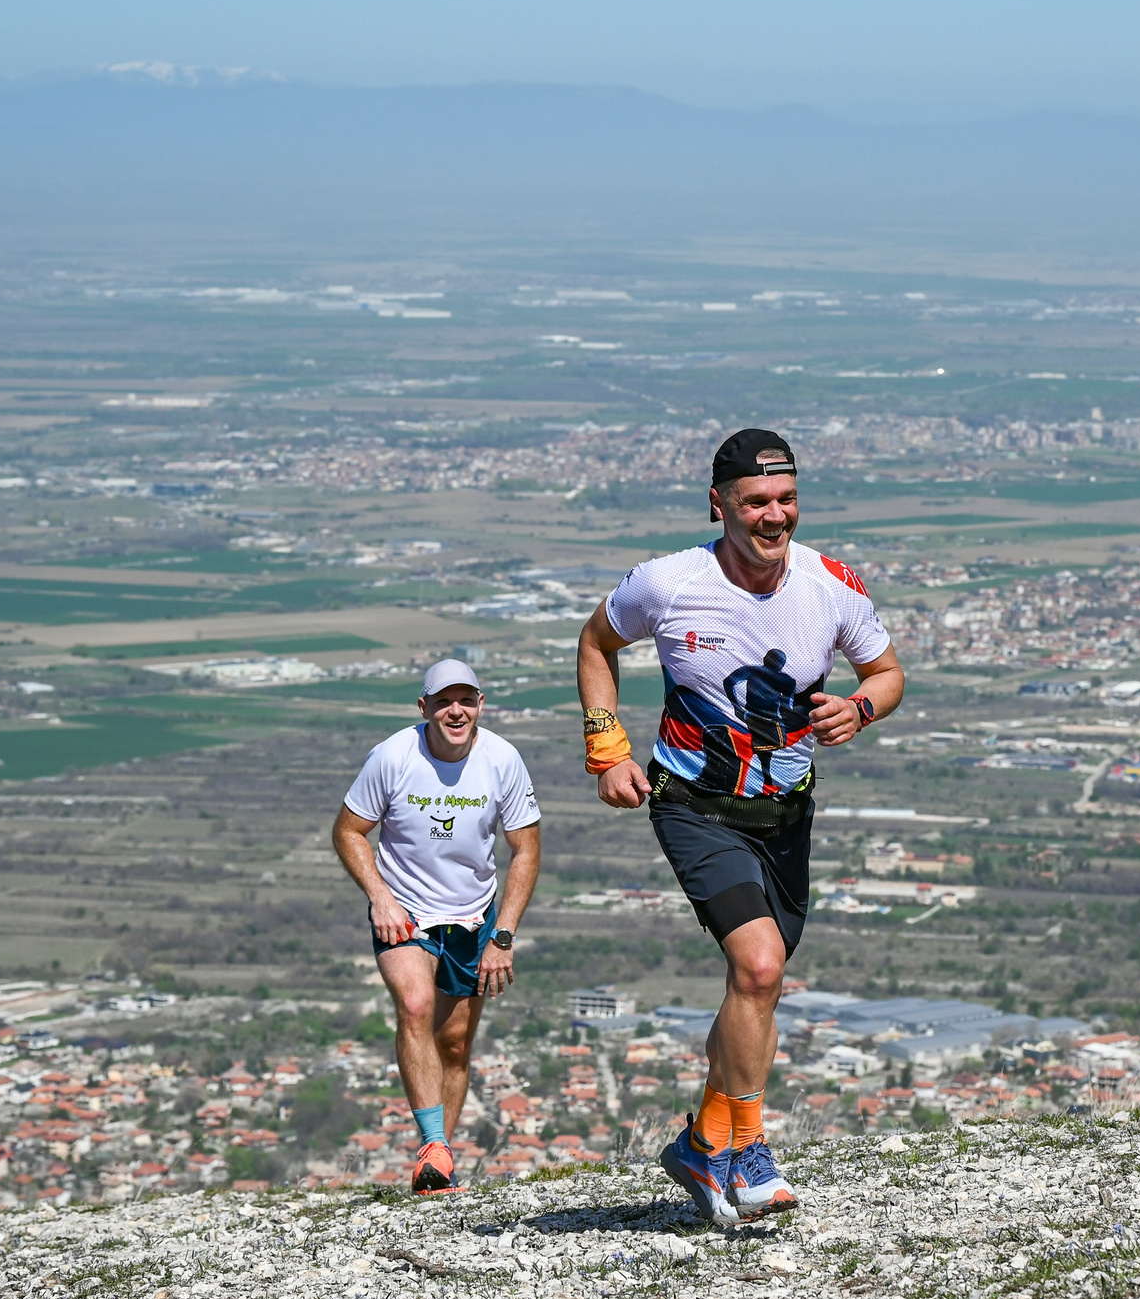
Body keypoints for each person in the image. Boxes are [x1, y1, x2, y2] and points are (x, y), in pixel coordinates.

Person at [577, 428, 905, 1226]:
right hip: (693, 802)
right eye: (756, 501)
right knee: (758, 968)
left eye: (786, 499)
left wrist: (860, 707)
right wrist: (606, 747)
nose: (774, 515)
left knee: (756, 989)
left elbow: (887, 672)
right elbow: (596, 641)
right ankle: (749, 1147)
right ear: (718, 503)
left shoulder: (832, 584)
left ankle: (703, 1143)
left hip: (785, 814)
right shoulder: (668, 582)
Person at [333, 659, 542, 1194]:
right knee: (415, 1006)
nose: (456, 711)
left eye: (466, 700)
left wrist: (503, 936)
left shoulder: (502, 759)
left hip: (473, 916)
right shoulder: (393, 756)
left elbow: (525, 850)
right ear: (423, 707)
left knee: (453, 1045)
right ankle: (432, 1143)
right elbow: (349, 831)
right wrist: (380, 897)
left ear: (480, 705)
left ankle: (438, 1166)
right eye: (444, 701)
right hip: (405, 912)